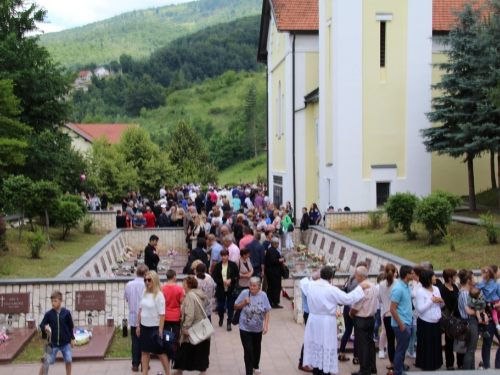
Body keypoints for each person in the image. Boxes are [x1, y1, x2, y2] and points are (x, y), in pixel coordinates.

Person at [301, 266, 368, 375]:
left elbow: (302, 282)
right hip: (326, 321)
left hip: (314, 320)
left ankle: (317, 369)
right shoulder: (332, 290)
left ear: (320, 275)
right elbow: (348, 299)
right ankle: (323, 370)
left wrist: (313, 277)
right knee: (325, 344)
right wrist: (360, 288)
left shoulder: (310, 285)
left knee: (316, 344)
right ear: (331, 277)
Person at [173, 276, 210, 375]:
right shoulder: (200, 294)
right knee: (201, 352)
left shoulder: (190, 296)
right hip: (200, 328)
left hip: (192, 329)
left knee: (183, 352)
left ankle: (179, 371)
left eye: (184, 285)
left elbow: (190, 314)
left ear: (189, 285)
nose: (183, 287)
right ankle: (202, 372)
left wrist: (185, 328)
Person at [234, 277, 271, 375]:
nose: (252, 287)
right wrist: (244, 303)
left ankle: (256, 366)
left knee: (256, 348)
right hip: (244, 328)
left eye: (254, 286)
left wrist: (265, 326)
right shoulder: (244, 293)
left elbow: (267, 311)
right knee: (248, 350)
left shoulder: (263, 295)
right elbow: (235, 306)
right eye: (250, 285)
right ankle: (249, 372)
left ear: (259, 286)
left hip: (257, 329)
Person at [137, 271, 170, 375]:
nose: (147, 282)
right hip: (144, 326)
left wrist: (160, 330)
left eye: (149, 280)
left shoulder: (159, 295)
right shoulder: (144, 292)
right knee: (144, 351)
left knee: (160, 352)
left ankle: (168, 372)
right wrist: (138, 325)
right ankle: (145, 372)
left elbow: (162, 314)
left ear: (154, 280)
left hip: (154, 328)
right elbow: (140, 309)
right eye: (145, 280)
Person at [349, 266, 378, 375]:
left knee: (362, 344)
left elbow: (356, 306)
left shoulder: (362, 288)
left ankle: (364, 369)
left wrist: (351, 313)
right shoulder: (373, 286)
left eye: (356, 274)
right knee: (370, 343)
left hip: (362, 318)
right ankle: (372, 366)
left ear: (360, 276)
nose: (355, 276)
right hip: (371, 317)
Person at [38, 291, 75, 375]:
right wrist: (45, 327)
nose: (53, 303)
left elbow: (70, 327)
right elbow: (42, 324)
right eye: (52, 301)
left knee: (68, 360)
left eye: (55, 301)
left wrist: (72, 339)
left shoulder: (66, 313)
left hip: (65, 342)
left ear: (61, 300)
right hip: (52, 343)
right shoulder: (49, 314)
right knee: (47, 361)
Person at [415, 269, 444, 371]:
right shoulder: (420, 291)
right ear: (428, 279)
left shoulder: (436, 289)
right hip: (425, 322)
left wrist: (440, 301)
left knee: (436, 344)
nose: (435, 278)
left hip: (436, 320)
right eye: (433, 277)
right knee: (426, 345)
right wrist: (431, 300)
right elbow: (421, 309)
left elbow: (441, 303)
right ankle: (426, 365)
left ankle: (436, 364)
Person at [390, 265, 414, 375]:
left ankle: (399, 369)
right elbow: (392, 309)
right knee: (400, 350)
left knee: (402, 349)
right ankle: (398, 371)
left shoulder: (407, 286)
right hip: (401, 324)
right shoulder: (398, 288)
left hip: (407, 322)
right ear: (407, 275)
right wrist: (401, 324)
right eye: (412, 273)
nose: (414, 275)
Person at [125, 264, 148, 372]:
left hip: (134, 316)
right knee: (145, 341)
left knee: (135, 341)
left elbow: (127, 298)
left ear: (136, 272)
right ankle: (144, 365)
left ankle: (135, 364)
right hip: (146, 317)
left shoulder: (129, 285)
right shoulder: (147, 284)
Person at [456, 269, 479, 370]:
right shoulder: (464, 293)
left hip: (469, 322)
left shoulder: (463, 292)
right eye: (472, 278)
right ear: (468, 281)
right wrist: (480, 311)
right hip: (469, 321)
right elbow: (468, 311)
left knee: (471, 349)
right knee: (470, 349)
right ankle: (467, 371)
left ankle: (471, 369)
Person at [212, 249, 240, 331]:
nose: (224, 257)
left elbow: (237, 276)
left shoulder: (233, 265)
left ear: (228, 256)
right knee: (220, 306)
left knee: (230, 306)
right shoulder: (218, 266)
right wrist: (223, 282)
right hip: (221, 288)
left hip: (231, 288)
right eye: (222, 256)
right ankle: (221, 317)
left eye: (225, 255)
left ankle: (229, 322)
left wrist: (230, 280)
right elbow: (215, 277)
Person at [298, 272, 320, 373]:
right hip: (310, 314)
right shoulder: (308, 285)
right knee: (310, 338)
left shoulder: (307, 281)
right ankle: (303, 362)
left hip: (311, 314)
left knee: (312, 338)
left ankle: (308, 361)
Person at [438, 268, 459, 371]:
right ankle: (449, 363)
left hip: (457, 317)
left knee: (459, 339)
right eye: (454, 276)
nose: (455, 278)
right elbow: (447, 304)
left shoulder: (455, 287)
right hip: (449, 318)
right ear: (450, 278)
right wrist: (454, 310)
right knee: (449, 341)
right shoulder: (442, 289)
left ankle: (460, 361)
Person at [377, 263, 397, 366]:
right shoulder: (398, 283)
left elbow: (379, 299)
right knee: (399, 339)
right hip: (397, 314)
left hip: (386, 314)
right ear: (395, 272)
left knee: (390, 339)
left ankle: (392, 362)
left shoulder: (381, 284)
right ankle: (399, 362)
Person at [481, 264, 500, 370]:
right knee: (487, 342)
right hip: (488, 319)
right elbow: (482, 301)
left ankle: (498, 364)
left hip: (498, 318)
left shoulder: (497, 284)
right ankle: (486, 365)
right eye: (498, 271)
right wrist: (493, 305)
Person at [162, 269, 184, 347]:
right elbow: (182, 302)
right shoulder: (179, 289)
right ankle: (175, 349)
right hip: (176, 315)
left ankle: (168, 348)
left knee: (167, 334)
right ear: (174, 277)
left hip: (166, 315)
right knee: (176, 334)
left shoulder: (162, 289)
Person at [477, 266, 500, 333]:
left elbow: (477, 291)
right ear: (494, 274)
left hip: (489, 305)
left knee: (494, 313)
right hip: (493, 305)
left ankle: (497, 325)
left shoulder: (483, 283)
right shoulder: (496, 283)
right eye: (498, 271)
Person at [264, 237, 284, 309]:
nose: (278, 245)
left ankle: (270, 301)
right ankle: (275, 302)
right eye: (277, 244)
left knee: (270, 288)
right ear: (275, 244)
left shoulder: (270, 250)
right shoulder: (273, 251)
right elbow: (273, 261)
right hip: (274, 273)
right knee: (275, 287)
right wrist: (280, 260)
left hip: (270, 272)